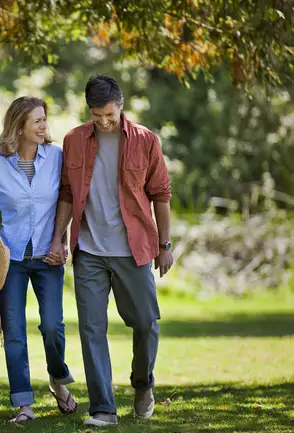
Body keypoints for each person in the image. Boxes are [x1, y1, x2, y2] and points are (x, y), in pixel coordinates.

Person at [45, 74, 174, 426]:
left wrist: (165, 245)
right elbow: (67, 194)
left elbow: (161, 194)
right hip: (88, 250)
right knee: (91, 327)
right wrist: (58, 238)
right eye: (96, 114)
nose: (103, 121)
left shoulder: (146, 140)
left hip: (134, 250)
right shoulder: (74, 140)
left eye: (109, 115)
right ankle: (103, 408)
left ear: (121, 106)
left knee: (146, 323)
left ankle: (143, 383)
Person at [0, 96, 77, 423]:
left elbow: (67, 198)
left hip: (48, 257)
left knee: (52, 326)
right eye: (37, 121)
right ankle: (24, 406)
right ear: (18, 125)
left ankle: (57, 379)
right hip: (11, 259)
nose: (44, 126)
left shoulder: (57, 157)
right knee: (15, 332)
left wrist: (59, 241)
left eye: (44, 120)